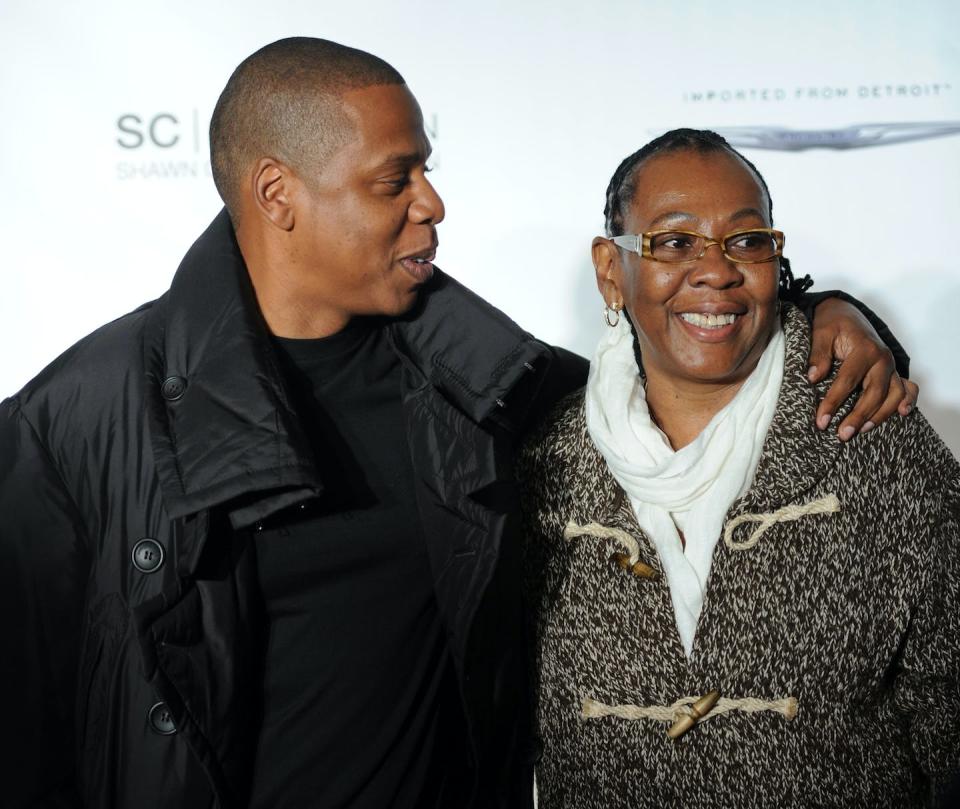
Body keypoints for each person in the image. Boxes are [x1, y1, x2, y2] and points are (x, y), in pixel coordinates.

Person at [0, 39, 915, 809]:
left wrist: (823, 311)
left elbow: (684, 354)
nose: (431, 203)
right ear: (278, 195)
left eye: (426, 170)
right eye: (394, 179)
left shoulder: (482, 386)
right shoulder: (73, 423)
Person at [519, 129, 959, 808]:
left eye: (747, 241)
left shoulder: (877, 443)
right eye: (674, 242)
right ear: (612, 270)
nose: (716, 270)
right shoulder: (543, 464)